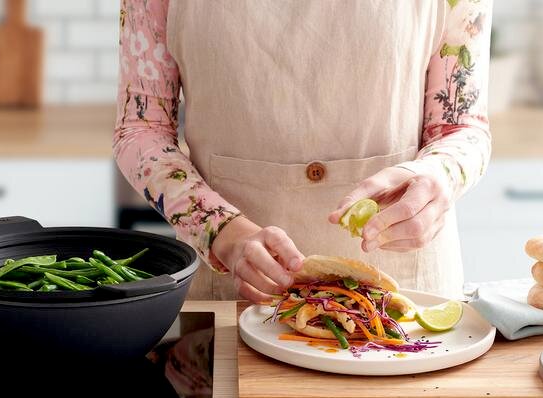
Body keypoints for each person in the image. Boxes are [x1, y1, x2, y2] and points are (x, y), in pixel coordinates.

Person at [114, 0, 492, 301]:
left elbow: (461, 128)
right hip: (236, 295)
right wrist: (221, 231)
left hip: (409, 296)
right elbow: (141, 128)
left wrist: (437, 176)